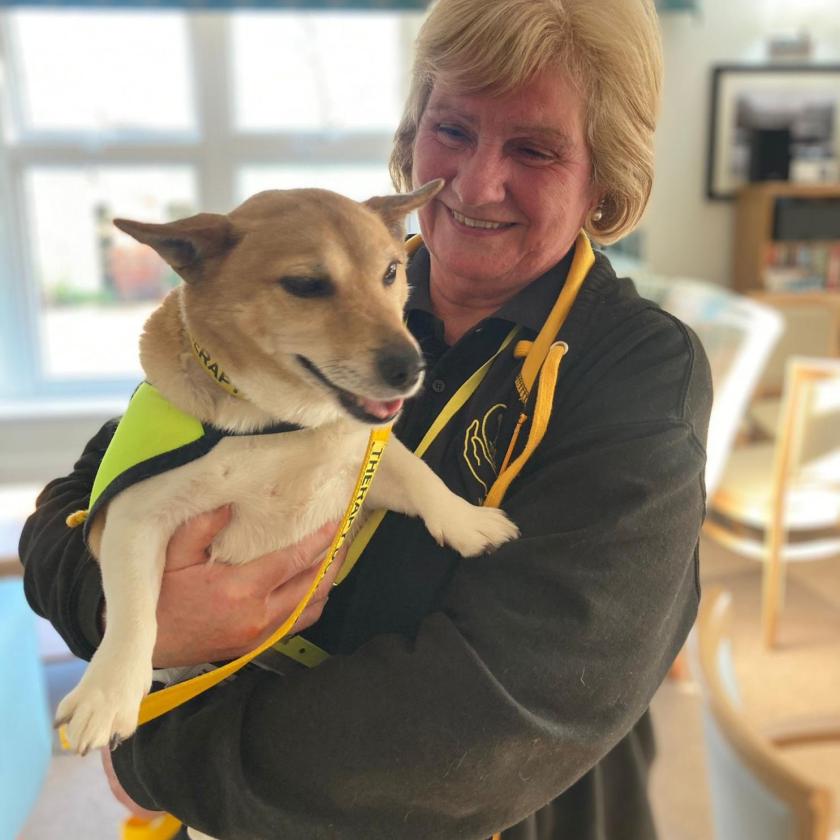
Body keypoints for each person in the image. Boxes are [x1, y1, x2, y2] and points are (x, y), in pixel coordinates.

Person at [19, 0, 712, 837]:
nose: (475, 182)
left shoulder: (637, 374)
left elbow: (497, 723)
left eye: (533, 148)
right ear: (413, 130)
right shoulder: (311, 298)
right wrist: (138, 624)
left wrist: (161, 760)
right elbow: (69, 511)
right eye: (452, 129)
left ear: (606, 175)